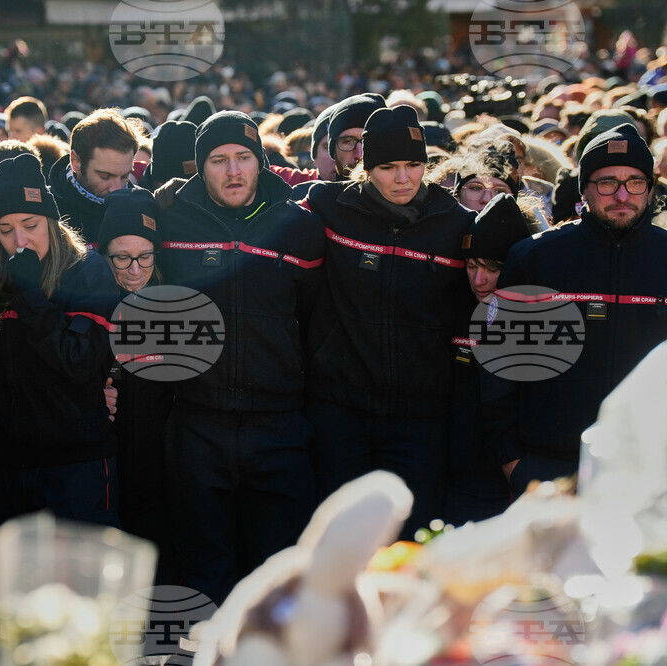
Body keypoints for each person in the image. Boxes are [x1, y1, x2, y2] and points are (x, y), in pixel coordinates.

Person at [157, 110, 325, 604]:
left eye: (243, 158)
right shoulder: (171, 218)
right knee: (203, 569)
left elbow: (315, 318)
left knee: (277, 574)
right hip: (196, 419)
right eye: (219, 160)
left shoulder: (297, 226)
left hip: (277, 423)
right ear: (200, 167)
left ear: (260, 163)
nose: (233, 171)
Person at [304, 105, 474, 539]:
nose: (403, 178)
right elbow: (265, 198)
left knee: (414, 543)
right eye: (388, 167)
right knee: (342, 544)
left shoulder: (455, 225)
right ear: (365, 166)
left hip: (421, 418)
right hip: (340, 412)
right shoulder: (330, 206)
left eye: (413, 165)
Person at [483, 124, 667, 497]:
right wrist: (512, 460)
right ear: (585, 188)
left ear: (649, 189)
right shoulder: (536, 257)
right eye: (607, 182)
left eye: (634, 182)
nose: (621, 194)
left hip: (649, 470)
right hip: (549, 469)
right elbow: (500, 365)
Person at [0, 153, 121, 528]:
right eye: (6, 230)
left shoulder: (87, 272)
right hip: (11, 469)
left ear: (52, 223)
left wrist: (32, 295)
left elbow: (78, 361)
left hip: (76, 468)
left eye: (30, 224)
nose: (20, 240)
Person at [97, 188, 174, 578]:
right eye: (122, 257)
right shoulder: (87, 302)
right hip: (103, 464)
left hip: (157, 465)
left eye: (145, 256)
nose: (134, 268)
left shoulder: (174, 307)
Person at [444, 194, 533, 525]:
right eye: (471, 266)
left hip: (515, 476)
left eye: (493, 268)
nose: (478, 280)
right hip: (456, 478)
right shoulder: (451, 308)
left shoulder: (545, 319)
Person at [49, 108, 139, 247]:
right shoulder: (47, 212)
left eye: (125, 176)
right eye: (104, 176)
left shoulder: (141, 207)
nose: (116, 189)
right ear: (76, 162)